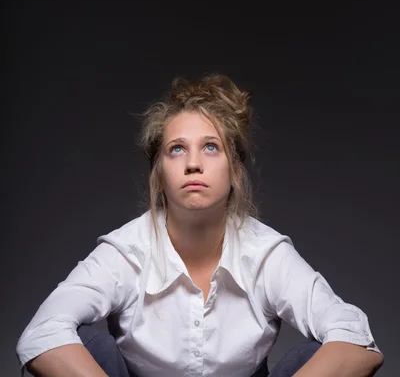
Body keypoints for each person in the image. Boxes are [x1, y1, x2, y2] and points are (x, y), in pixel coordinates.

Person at [16, 74, 384, 376]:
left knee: (325, 353)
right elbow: (42, 333)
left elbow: (359, 341)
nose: (193, 163)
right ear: (159, 174)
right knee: (82, 344)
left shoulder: (266, 253)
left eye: (211, 147)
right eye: (177, 148)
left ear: (234, 171)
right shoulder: (125, 252)